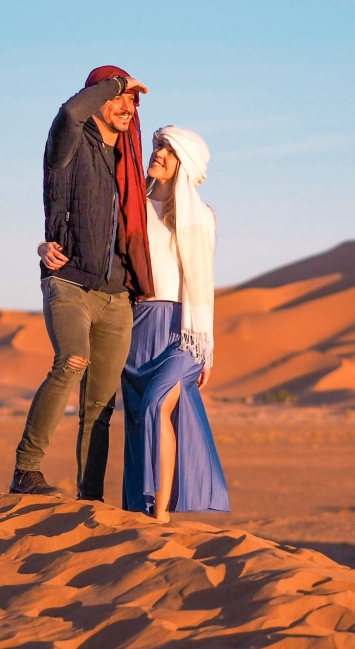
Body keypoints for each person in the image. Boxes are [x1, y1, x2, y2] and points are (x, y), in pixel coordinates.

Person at [12, 66, 153, 501]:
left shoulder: (127, 159)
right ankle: (26, 471)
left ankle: (89, 497)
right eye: (122, 98)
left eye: (134, 100)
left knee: (99, 407)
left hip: (116, 297)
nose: (130, 106)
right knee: (72, 360)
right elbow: (71, 112)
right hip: (70, 283)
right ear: (101, 98)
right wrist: (114, 84)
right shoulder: (69, 143)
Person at [122, 126, 229, 522]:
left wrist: (207, 349)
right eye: (158, 146)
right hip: (137, 329)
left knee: (155, 406)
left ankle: (161, 514)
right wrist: (45, 246)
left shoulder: (202, 218)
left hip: (181, 332)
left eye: (168, 150)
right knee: (136, 422)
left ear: (184, 164)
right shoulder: (135, 207)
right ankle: (140, 509)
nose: (159, 154)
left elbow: (204, 285)